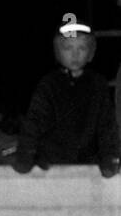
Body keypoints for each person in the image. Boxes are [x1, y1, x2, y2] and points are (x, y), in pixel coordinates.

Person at [13, 20, 120, 176]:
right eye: (68, 48)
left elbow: (106, 125)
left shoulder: (98, 85)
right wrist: (25, 154)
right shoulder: (49, 85)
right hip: (51, 164)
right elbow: (34, 122)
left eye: (82, 48)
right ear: (58, 52)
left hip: (89, 163)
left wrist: (110, 157)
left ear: (90, 53)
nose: (75, 54)